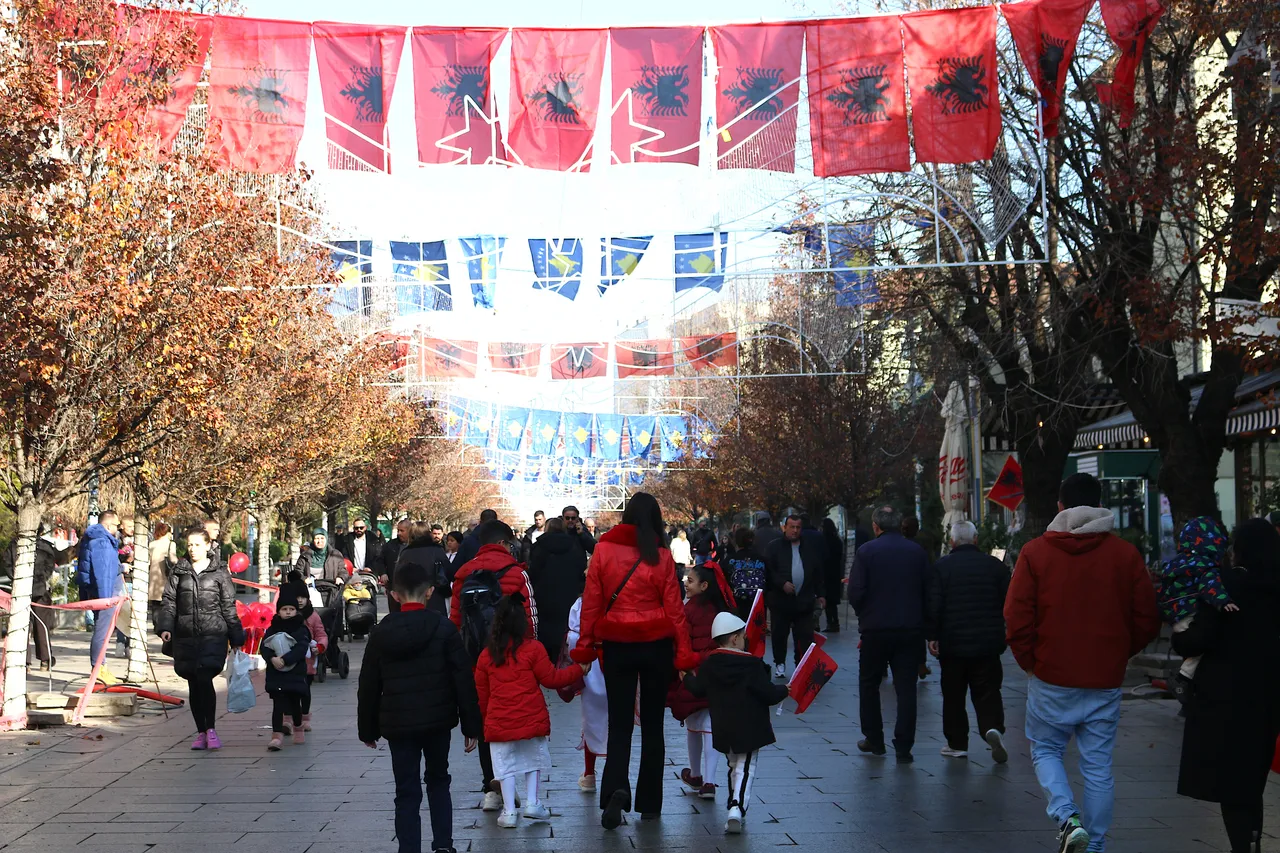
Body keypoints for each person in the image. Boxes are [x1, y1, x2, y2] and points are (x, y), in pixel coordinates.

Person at [1006, 473, 1160, 853]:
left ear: (1060, 506)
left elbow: (1016, 617)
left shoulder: (1035, 553)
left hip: (1050, 674)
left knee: (1044, 749)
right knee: (1097, 766)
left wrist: (1030, 662)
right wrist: (1117, 653)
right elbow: (1146, 618)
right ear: (1100, 504)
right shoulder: (1124, 555)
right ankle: (1096, 845)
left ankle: (1066, 817)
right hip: (1104, 677)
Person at [571, 492, 697, 829]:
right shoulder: (660, 555)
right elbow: (675, 611)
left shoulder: (603, 551)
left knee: (620, 722)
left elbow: (592, 603)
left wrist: (584, 649)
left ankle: (615, 789)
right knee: (654, 726)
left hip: (617, 644)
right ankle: (650, 803)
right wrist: (683, 657)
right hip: (655, 644)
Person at [358, 560, 482, 853]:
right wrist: (471, 725)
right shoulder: (443, 628)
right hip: (438, 721)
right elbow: (462, 678)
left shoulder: (381, 633)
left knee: (406, 790)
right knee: (439, 780)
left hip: (398, 725)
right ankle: (443, 846)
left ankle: (409, 848)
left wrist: (368, 729)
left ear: (395, 595)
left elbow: (369, 684)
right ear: (429, 592)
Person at [1173, 518, 1280, 853]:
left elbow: (1197, 640)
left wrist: (1180, 633)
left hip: (1225, 699)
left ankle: (1243, 845)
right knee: (1254, 778)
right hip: (1270, 697)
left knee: (1233, 783)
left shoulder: (1226, 586)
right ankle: (1251, 839)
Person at [476, 594, 588, 829]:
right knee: (532, 761)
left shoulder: (486, 655)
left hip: (499, 722)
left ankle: (508, 811)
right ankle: (533, 803)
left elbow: (482, 694)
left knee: (504, 767)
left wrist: (487, 721)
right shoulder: (533, 649)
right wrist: (580, 670)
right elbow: (552, 679)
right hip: (530, 719)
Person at [447, 520, 537, 809]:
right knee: (515, 718)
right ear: (502, 544)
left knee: (487, 718)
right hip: (511, 658)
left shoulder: (463, 574)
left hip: (476, 659)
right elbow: (530, 618)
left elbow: (456, 621)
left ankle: (491, 785)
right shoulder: (517, 573)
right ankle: (511, 781)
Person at [682, 611, 789, 835]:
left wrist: (686, 677)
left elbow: (698, 688)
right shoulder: (751, 665)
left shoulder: (711, 663)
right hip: (750, 727)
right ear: (734, 638)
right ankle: (736, 808)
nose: (744, 639)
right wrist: (784, 690)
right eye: (742, 635)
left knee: (733, 765)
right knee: (745, 767)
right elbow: (768, 694)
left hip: (723, 726)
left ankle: (734, 802)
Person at [848, 505, 930, 761]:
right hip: (909, 629)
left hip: (875, 629)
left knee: (869, 683)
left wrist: (866, 615)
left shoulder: (866, 552)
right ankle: (904, 746)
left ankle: (874, 738)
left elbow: (855, 592)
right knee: (906, 687)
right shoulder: (916, 552)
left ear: (876, 526)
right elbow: (928, 591)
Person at [926, 520, 1011, 762]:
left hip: (952, 643)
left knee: (953, 694)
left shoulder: (941, 568)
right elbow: (1009, 603)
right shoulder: (995, 567)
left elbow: (934, 605)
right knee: (988, 689)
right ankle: (992, 727)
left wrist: (932, 635)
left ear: (951, 542)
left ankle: (957, 742)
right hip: (988, 641)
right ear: (976, 540)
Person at [157, 526, 246, 750]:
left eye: (197, 544)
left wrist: (236, 636)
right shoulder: (179, 570)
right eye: (190, 545)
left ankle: (211, 729)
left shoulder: (219, 572)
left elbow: (228, 606)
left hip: (213, 635)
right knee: (193, 683)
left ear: (208, 545)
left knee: (205, 678)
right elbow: (169, 601)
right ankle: (200, 732)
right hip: (185, 636)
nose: (193, 549)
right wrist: (165, 627)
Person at [670, 563, 734, 801]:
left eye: (691, 580)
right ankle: (707, 779)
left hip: (692, 674)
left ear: (704, 586)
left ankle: (699, 775)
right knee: (709, 726)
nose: (686, 583)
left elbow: (681, 641)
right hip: (716, 673)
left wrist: (685, 664)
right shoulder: (721, 611)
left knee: (695, 725)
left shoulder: (689, 610)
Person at [1158, 517, 1235, 687]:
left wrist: (1163, 613)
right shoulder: (1206, 565)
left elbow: (1163, 590)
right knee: (1203, 647)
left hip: (1176, 617)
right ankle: (1183, 679)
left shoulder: (1174, 564)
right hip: (1191, 613)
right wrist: (1223, 601)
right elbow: (1210, 585)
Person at [762, 515, 825, 680]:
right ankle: (780, 663)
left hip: (804, 600)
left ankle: (802, 665)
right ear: (785, 527)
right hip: (780, 600)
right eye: (792, 527)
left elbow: (817, 572)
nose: (795, 530)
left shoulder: (809, 547)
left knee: (804, 635)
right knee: (779, 634)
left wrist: (821, 595)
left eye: (798, 527)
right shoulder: (774, 547)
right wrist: (781, 583)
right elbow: (769, 571)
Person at [1, 521, 67, 670]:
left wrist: (17, 578)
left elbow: (7, 564)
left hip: (21, 589)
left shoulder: (14, 545)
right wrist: (42, 578)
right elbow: (50, 566)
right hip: (40, 589)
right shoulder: (45, 546)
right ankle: (45, 660)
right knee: (42, 625)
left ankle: (25, 661)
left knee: (22, 626)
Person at [567, 564, 608, 794]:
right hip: (619, 663)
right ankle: (612, 769)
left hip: (590, 665)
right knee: (617, 722)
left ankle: (589, 773)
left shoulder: (581, 603)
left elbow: (573, 635)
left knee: (592, 719)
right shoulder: (620, 600)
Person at [528, 516, 588, 662]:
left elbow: (533, 572)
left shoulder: (538, 546)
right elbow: (581, 568)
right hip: (569, 593)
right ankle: (564, 656)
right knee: (566, 626)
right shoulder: (573, 546)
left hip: (544, 594)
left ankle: (547, 660)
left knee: (545, 628)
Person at [261, 583, 312, 751]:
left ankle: (298, 727)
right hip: (276, 674)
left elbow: (301, 648)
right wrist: (272, 659)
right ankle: (276, 736)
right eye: (284, 609)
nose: (288, 612)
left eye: (291, 609)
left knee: (294, 704)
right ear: (278, 611)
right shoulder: (272, 628)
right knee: (278, 706)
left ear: (296, 611)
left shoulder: (301, 629)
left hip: (295, 673)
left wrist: (286, 659)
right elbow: (265, 647)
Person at [77, 511, 125, 683]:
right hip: (106, 592)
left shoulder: (96, 539)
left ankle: (101, 667)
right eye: (116, 525)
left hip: (103, 590)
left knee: (103, 629)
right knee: (102, 630)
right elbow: (103, 572)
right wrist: (106, 600)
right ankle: (98, 668)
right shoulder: (102, 542)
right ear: (108, 525)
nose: (118, 529)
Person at [286, 571, 327, 733]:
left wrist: (320, 646)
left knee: (304, 691)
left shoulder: (313, 616)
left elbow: (321, 634)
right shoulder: (286, 614)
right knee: (288, 692)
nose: (300, 601)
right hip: (289, 660)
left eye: (303, 597)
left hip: (308, 661)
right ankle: (288, 719)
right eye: (297, 598)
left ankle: (304, 718)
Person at [397, 521, 451, 616]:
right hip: (435, 594)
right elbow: (449, 571)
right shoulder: (437, 550)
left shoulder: (406, 552)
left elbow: (399, 575)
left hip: (412, 596)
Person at [725, 527, 766, 623]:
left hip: (737, 603)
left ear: (736, 541)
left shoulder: (730, 560)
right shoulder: (761, 559)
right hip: (758, 603)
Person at [378, 519, 412, 613]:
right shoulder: (390, 545)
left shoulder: (415, 545)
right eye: (398, 530)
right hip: (393, 586)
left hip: (410, 587)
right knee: (394, 613)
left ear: (409, 530)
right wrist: (383, 573)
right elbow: (380, 560)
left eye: (402, 531)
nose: (399, 533)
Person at [147, 522, 176, 628]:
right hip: (166, 576)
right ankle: (163, 626)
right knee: (166, 602)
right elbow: (173, 559)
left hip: (153, 577)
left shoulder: (152, 545)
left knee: (155, 604)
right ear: (167, 532)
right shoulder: (170, 544)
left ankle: (156, 624)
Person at [820, 518, 845, 632]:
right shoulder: (837, 540)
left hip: (826, 573)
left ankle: (831, 622)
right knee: (832, 601)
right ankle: (834, 622)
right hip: (835, 573)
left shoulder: (824, 540)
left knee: (827, 599)